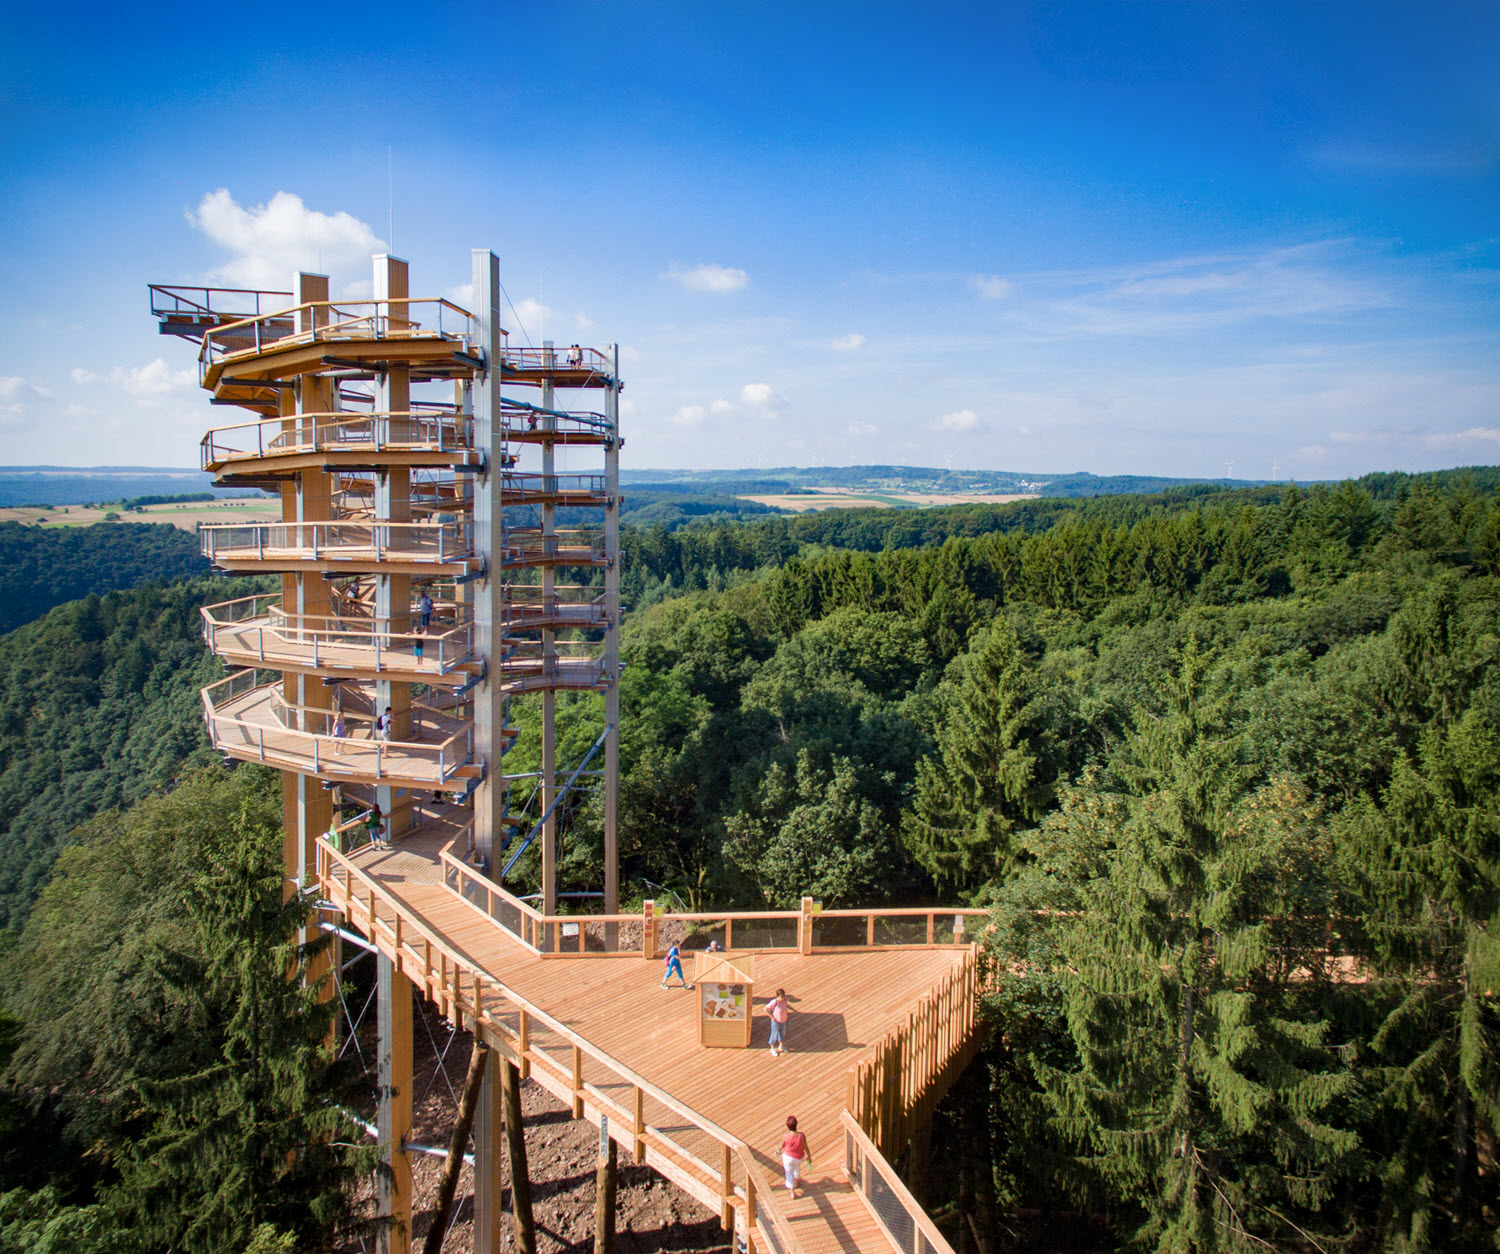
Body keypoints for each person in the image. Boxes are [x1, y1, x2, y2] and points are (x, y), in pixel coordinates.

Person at [780, 1116, 811, 1197]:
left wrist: (777, 1150)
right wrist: (809, 1156)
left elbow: (781, 1146)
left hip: (788, 1157)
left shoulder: (786, 1136)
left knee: (789, 1173)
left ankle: (792, 1192)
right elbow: (805, 1147)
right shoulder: (801, 1136)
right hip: (799, 1157)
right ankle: (797, 1183)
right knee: (797, 1168)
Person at [767, 988, 791, 1057]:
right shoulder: (774, 1002)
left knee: (782, 1033)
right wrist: (771, 1017)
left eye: (784, 996)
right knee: (774, 1034)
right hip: (776, 1021)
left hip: (783, 1020)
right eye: (782, 997)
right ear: (778, 996)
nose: (783, 998)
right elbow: (766, 1009)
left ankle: (781, 1046)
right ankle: (772, 1048)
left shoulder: (785, 1001)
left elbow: (785, 1009)